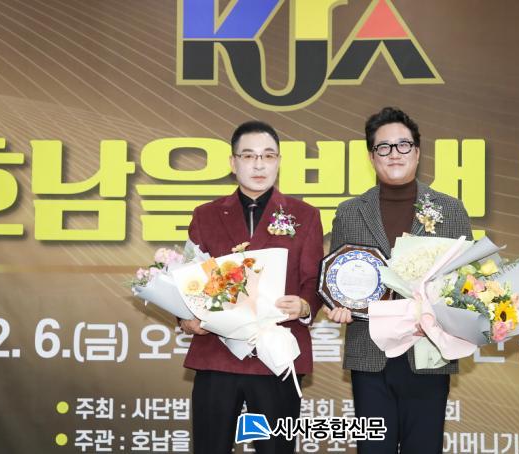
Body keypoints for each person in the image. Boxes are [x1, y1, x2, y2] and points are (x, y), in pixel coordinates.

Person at [324, 107, 473, 453]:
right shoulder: (350, 212)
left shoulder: (450, 210)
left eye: (403, 145)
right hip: (369, 354)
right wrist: (337, 305)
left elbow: (467, 281)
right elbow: (335, 275)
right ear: (371, 156)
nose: (394, 154)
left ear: (417, 152)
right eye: (384, 147)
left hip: (428, 350)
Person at [180, 120, 324, 454]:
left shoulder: (304, 215)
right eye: (248, 156)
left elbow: (312, 279)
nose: (259, 165)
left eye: (268, 156)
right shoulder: (205, 215)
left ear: (279, 161)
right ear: (233, 163)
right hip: (217, 353)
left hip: (276, 355)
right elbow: (188, 277)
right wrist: (187, 318)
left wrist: (305, 305)